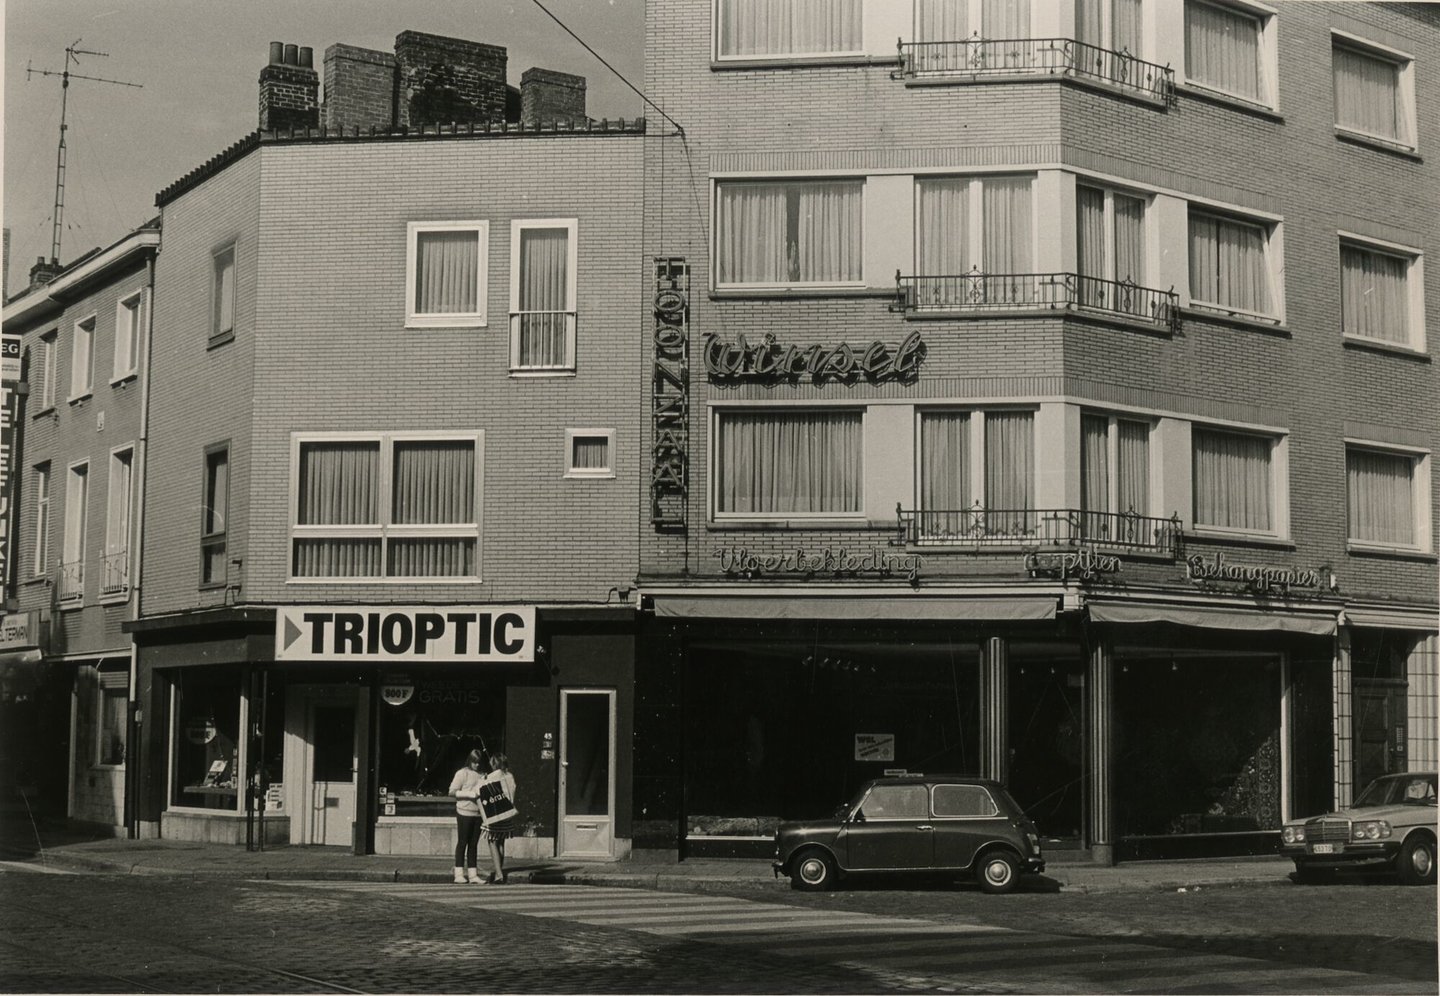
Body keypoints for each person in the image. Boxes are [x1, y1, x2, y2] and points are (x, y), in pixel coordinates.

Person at [478, 752, 520, 884]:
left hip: (495, 813)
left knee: (492, 841)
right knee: (501, 841)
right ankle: (499, 870)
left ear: (494, 764)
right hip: (507, 813)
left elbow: (480, 788)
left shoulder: (494, 775)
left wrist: (483, 778)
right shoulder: (510, 776)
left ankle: (499, 874)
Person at [447, 749, 486, 884]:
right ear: (470, 761)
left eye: (479, 763)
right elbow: (451, 792)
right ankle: (458, 873)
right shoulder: (462, 773)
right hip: (464, 812)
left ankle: (473, 874)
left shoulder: (482, 775)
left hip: (478, 813)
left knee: (473, 844)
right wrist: (469, 794)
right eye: (474, 762)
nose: (477, 765)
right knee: (463, 842)